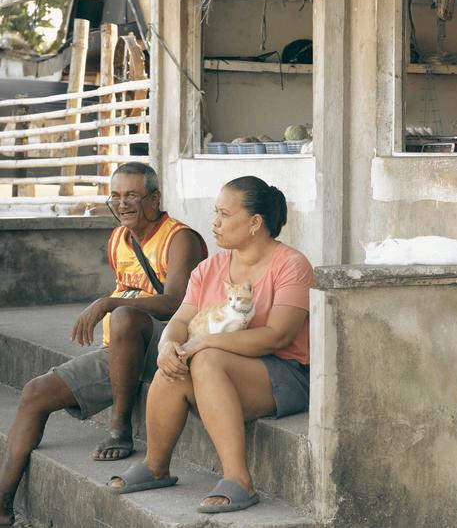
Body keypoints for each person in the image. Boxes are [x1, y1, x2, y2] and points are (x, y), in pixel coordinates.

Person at [0, 162, 206, 527]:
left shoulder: (180, 239)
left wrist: (109, 303)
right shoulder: (119, 239)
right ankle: (3, 503)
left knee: (124, 315)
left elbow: (176, 302)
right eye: (116, 196)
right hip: (122, 350)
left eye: (132, 196)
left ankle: (119, 427)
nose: (122, 204)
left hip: (169, 348)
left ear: (154, 199)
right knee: (34, 393)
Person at [106, 176, 314, 515]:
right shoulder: (209, 268)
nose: (214, 222)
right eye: (216, 212)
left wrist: (203, 343)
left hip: (284, 374)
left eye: (224, 214)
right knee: (176, 362)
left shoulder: (292, 265)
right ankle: (155, 466)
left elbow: (278, 335)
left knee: (204, 358)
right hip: (222, 373)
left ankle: (239, 479)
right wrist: (167, 346)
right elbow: (180, 321)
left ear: (255, 223)